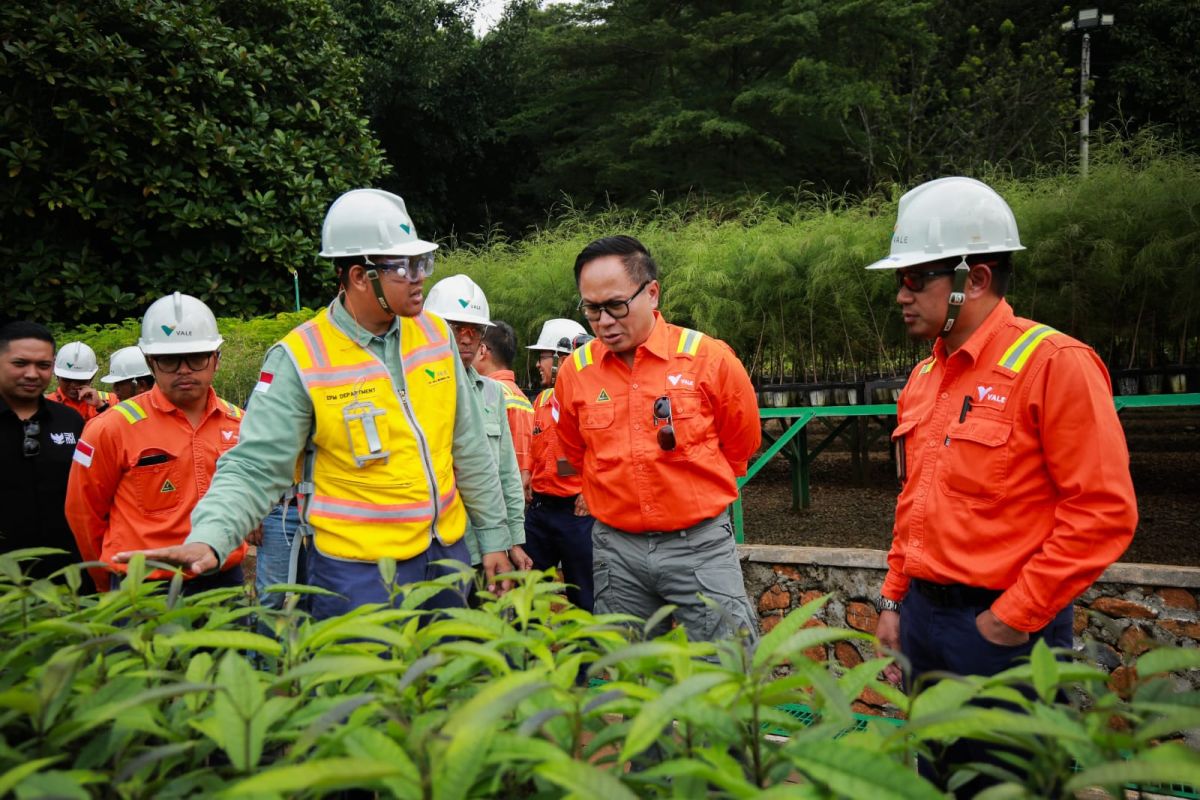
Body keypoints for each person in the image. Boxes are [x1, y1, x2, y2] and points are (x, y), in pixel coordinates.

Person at [111, 189, 509, 620]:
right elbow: (254, 465)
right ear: (359, 276)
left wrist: (493, 537)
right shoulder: (300, 358)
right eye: (405, 267)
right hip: (358, 573)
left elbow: (468, 447)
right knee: (364, 683)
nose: (419, 278)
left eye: (422, 264)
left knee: (449, 676)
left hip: (445, 554)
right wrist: (212, 537)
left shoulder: (435, 335)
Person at [868, 177, 1138, 795]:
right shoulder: (926, 376)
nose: (901, 295)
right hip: (923, 620)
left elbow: (1101, 512)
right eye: (899, 280)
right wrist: (893, 599)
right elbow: (916, 503)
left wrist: (1010, 621)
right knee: (935, 774)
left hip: (1000, 630)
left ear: (976, 279)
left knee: (1002, 783)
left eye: (915, 279)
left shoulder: (1054, 364)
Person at [554, 235, 761, 642]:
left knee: (728, 668)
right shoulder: (575, 372)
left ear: (651, 293)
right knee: (632, 675)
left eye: (615, 305)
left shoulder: (708, 359)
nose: (605, 322)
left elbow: (742, 444)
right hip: (617, 549)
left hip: (699, 544)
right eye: (592, 309)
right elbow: (576, 452)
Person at [65, 293, 249, 594]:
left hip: (222, 581)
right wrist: (107, 580)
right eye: (169, 359)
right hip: (143, 587)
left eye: (197, 356)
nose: (184, 369)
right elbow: (84, 515)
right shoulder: (110, 428)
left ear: (216, 359)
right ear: (150, 362)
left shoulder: (240, 423)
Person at [423, 274, 531, 586]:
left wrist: (512, 539)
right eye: (458, 328)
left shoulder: (492, 393)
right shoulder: (415, 388)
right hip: (433, 543)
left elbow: (507, 473)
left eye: (476, 330)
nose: (468, 338)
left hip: (486, 546)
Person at [0, 321, 89, 584]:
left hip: (67, 573)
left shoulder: (70, 421)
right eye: (19, 364)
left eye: (43, 365)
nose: (32, 374)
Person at [522, 318, 596, 611]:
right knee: (526, 588)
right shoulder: (541, 400)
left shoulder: (589, 399)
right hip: (540, 511)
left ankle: (590, 655)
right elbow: (534, 443)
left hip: (576, 513)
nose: (539, 365)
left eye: (543, 357)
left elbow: (602, 449)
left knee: (584, 593)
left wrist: (589, 490)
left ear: (563, 357)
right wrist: (528, 472)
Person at [473, 319, 535, 499]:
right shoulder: (522, 398)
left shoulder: (488, 394)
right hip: (517, 495)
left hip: (492, 495)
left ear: (483, 350)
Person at [46, 341, 113, 421]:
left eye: (80, 380)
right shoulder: (46, 404)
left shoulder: (111, 400)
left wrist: (100, 405)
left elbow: (118, 428)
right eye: (67, 379)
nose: (73, 385)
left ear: (92, 377)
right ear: (57, 376)